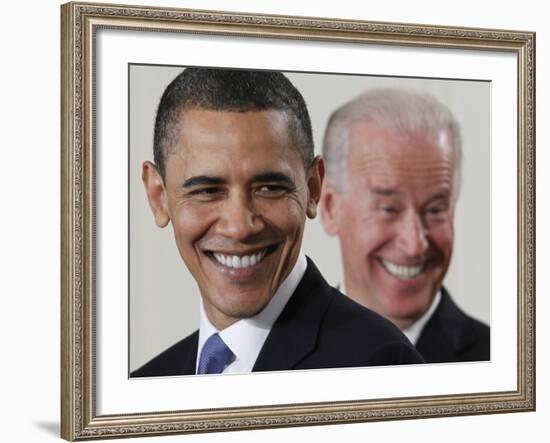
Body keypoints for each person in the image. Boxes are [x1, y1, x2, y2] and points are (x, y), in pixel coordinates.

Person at [132, 69, 423, 377]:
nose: (240, 226)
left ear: (313, 188)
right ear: (158, 196)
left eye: (269, 188)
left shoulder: (381, 366)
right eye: (207, 191)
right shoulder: (144, 386)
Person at [320, 88, 490, 363]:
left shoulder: (507, 363)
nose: (414, 244)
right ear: (329, 207)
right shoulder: (271, 357)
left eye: (435, 210)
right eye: (388, 209)